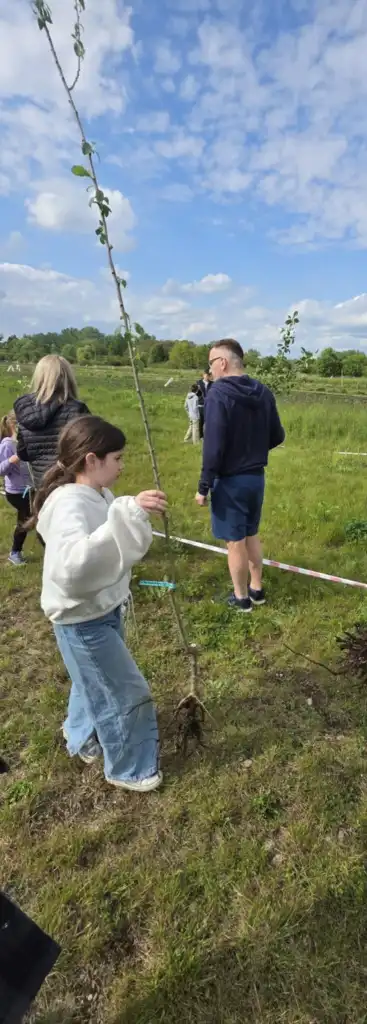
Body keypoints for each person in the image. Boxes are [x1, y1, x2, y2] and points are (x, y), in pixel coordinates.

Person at [32, 414, 167, 793]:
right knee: (124, 691)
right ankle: (129, 768)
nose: (123, 466)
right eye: (118, 459)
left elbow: (112, 536)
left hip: (103, 609)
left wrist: (128, 512)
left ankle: (80, 737)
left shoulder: (98, 495)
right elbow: (74, 566)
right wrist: (129, 514)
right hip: (81, 620)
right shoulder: (69, 506)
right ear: (92, 460)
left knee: (88, 680)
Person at [195, 339, 285, 612]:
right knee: (251, 534)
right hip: (256, 478)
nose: (209, 371)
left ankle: (241, 598)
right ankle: (257, 589)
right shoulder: (263, 391)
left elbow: (214, 445)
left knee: (234, 542)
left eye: (210, 364)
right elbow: (278, 435)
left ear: (222, 362)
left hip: (230, 481)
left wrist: (203, 486)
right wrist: (253, 450)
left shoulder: (218, 393)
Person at [14, 355, 90, 489]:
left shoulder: (25, 410)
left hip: (41, 485)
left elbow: (23, 453)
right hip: (71, 485)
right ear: (67, 377)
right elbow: (89, 450)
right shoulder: (77, 409)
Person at [0, 410, 32, 566]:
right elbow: (0, 470)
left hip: (29, 488)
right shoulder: (7, 444)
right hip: (16, 492)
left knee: (30, 518)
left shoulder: (24, 442)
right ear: (14, 425)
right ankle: (15, 552)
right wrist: (12, 460)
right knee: (26, 519)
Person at [196, 371, 212, 438]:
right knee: (200, 422)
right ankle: (201, 436)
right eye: (206, 375)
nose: (207, 376)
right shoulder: (198, 383)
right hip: (201, 405)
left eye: (208, 375)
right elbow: (195, 393)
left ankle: (208, 436)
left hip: (209, 405)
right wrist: (198, 390)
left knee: (208, 421)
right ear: (203, 375)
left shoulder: (212, 383)